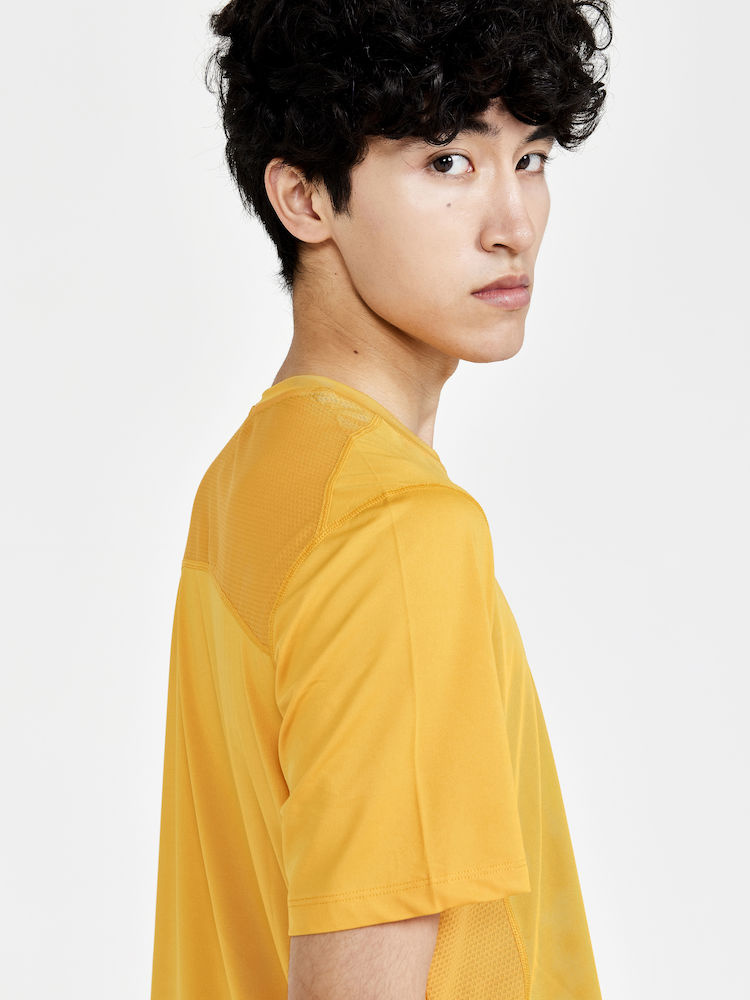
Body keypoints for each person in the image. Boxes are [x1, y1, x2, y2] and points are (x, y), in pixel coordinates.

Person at [149, 0, 613, 997]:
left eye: (530, 158)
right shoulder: (396, 531)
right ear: (305, 197)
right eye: (449, 161)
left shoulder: (252, 480)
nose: (513, 226)